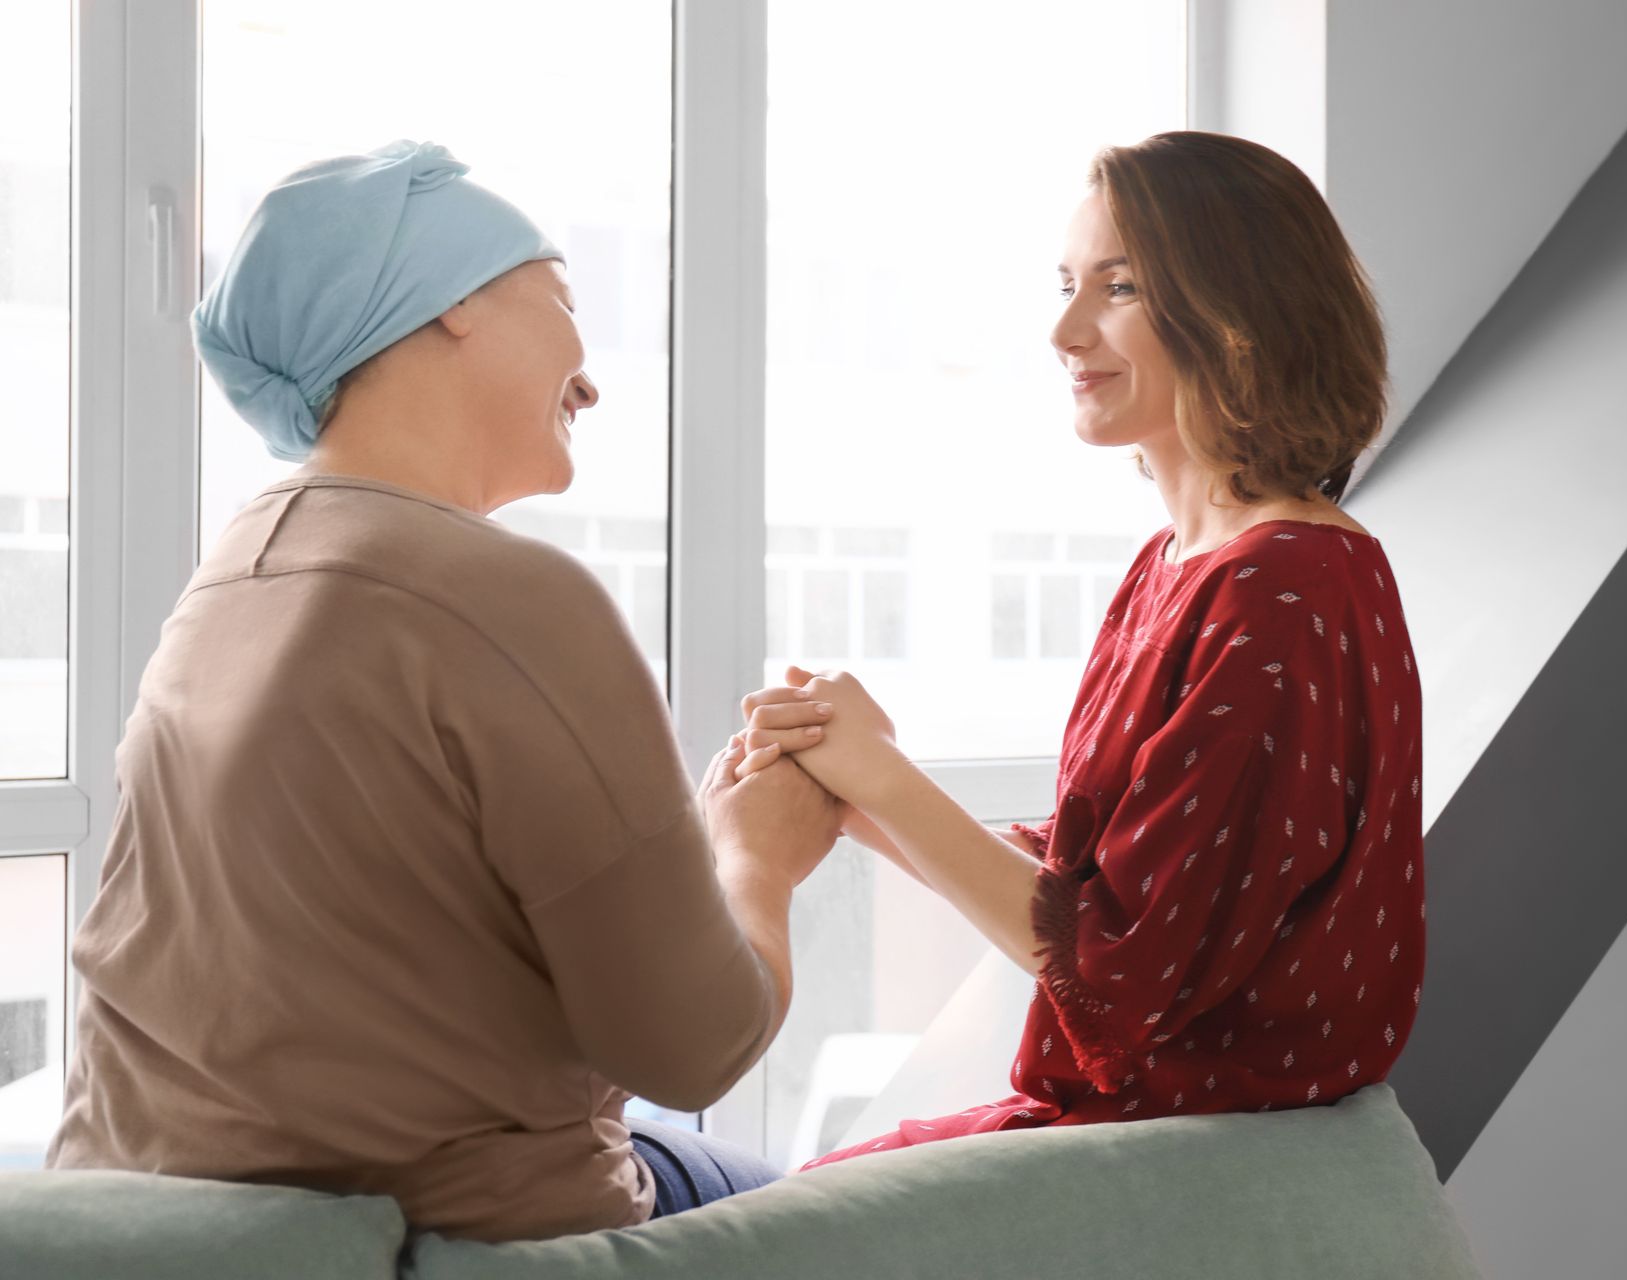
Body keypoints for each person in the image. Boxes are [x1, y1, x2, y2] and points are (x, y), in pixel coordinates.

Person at [45, 140, 838, 1241]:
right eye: (562, 298)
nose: (594, 374)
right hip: (445, 1232)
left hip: (156, 1226)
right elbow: (694, 1045)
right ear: (453, 306)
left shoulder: (232, 572)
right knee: (840, 1204)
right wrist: (761, 851)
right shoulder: (509, 594)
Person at [733, 131, 1427, 1169]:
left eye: (1119, 287)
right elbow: (1087, 888)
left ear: (1239, 317)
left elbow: (1107, 976)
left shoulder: (1282, 586)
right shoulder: (1179, 562)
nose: (1064, 328)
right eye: (1067, 283)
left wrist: (872, 769)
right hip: (1129, 1129)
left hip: (1167, 1150)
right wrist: (848, 792)